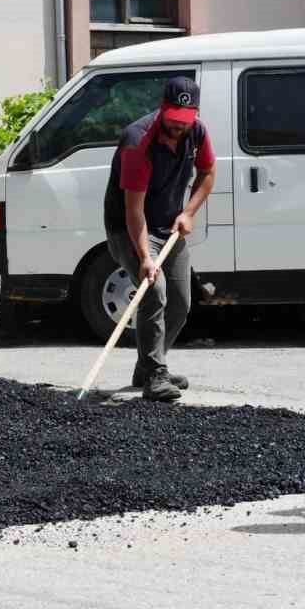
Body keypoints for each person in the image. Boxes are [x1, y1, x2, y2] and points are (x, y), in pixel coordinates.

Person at [102, 75, 216, 401]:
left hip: (169, 225)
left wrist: (188, 212)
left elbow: (208, 172)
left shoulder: (197, 132)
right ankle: (155, 375)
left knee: (180, 302)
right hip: (129, 228)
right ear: (162, 109)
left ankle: (149, 364)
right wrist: (145, 259)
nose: (178, 127)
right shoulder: (138, 142)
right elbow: (134, 212)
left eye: (184, 121)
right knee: (155, 289)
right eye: (172, 120)